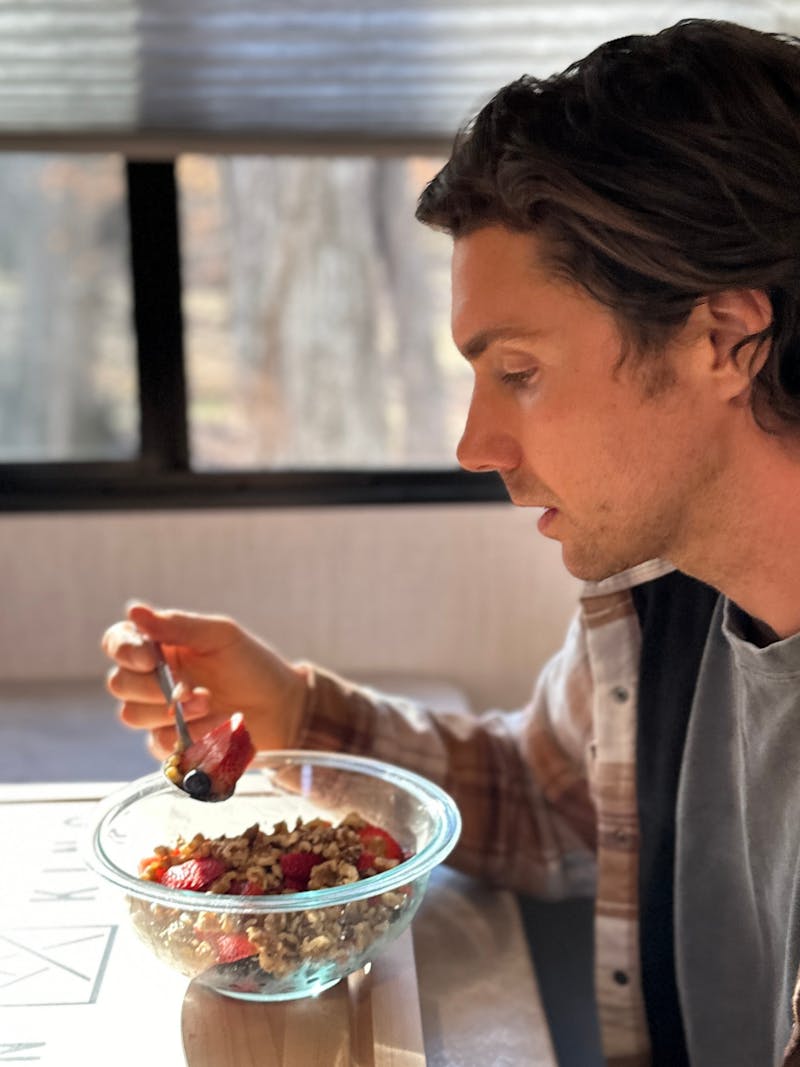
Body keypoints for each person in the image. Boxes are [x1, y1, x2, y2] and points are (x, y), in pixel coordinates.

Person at [101, 18, 800, 1067]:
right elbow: (553, 798)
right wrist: (294, 710)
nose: (474, 443)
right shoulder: (663, 592)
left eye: (517, 371)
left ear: (721, 341)